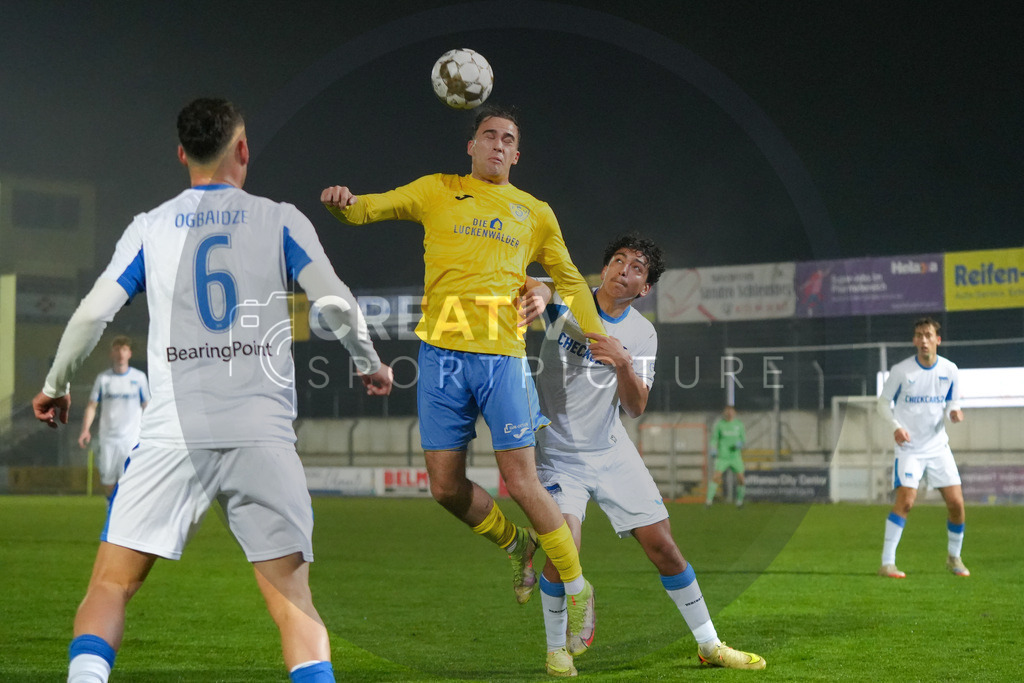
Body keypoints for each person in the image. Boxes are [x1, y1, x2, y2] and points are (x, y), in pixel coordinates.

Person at [33, 98, 393, 683]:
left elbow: (94, 312)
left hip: (171, 436)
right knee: (294, 605)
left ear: (182, 154)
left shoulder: (150, 227)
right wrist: (369, 362)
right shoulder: (279, 220)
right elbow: (335, 300)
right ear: (243, 149)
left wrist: (56, 384)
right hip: (262, 436)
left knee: (109, 587)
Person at [320, 104, 604, 648]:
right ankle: (517, 546)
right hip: (440, 356)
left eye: (508, 139)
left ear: (517, 155)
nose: (498, 144)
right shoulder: (436, 190)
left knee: (521, 481)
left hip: (501, 357)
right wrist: (343, 205)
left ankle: (577, 587)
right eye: (488, 136)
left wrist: (597, 336)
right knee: (445, 488)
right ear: (471, 146)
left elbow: (568, 278)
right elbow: (370, 208)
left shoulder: (534, 212)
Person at [531, 233, 766, 676]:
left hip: (612, 451)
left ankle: (709, 645)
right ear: (604, 268)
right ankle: (556, 649)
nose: (624, 271)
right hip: (559, 455)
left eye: (636, 268)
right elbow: (534, 284)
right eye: (618, 261)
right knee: (565, 550)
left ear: (645, 288)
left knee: (665, 547)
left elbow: (636, 407)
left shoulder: (642, 333)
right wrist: (539, 290)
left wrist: (622, 362)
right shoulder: (567, 298)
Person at [876, 317, 968, 579]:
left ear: (937, 340)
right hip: (910, 448)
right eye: (919, 335)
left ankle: (954, 557)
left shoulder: (950, 369)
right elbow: (882, 404)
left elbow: (952, 402)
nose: (923, 340)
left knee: (956, 504)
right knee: (906, 501)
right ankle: (887, 563)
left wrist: (954, 412)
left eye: (928, 335)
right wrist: (896, 426)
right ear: (914, 340)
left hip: (938, 447)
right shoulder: (901, 371)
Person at [78, 335, 151, 498]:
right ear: (111, 353)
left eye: (124, 349)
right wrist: (85, 430)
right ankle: (112, 508)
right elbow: (92, 406)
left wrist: (151, 431)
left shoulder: (139, 378)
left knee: (130, 480)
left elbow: (147, 406)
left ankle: (126, 511)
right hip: (108, 439)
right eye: (117, 349)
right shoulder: (104, 379)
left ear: (130, 353)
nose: (120, 353)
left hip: (131, 439)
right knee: (108, 482)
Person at [705, 405, 748, 508]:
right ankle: (708, 501)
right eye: (727, 411)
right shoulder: (720, 425)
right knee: (716, 477)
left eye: (731, 411)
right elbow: (714, 439)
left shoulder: (739, 425)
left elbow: (743, 439)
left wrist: (740, 444)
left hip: (735, 457)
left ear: (734, 413)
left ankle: (739, 502)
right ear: (724, 413)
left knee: (741, 479)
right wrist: (713, 448)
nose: (729, 413)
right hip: (722, 457)